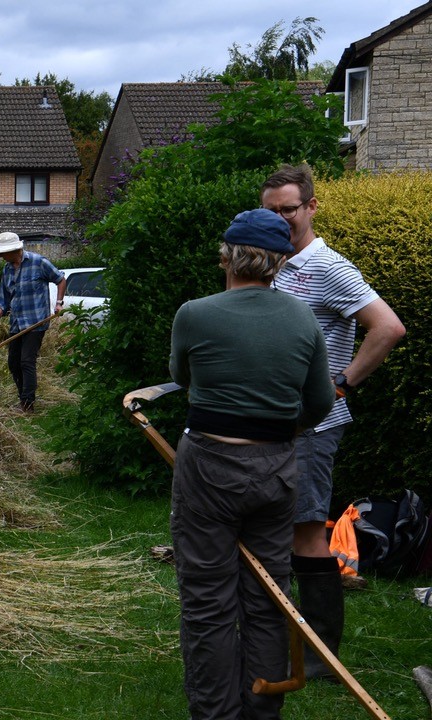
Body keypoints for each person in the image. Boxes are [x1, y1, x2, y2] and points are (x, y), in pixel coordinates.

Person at [169, 208, 336, 720]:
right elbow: (321, 402)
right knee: (268, 596)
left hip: (209, 468)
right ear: (278, 262)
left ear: (227, 256)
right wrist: (283, 427)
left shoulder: (195, 313)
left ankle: (216, 714)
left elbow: (182, 375)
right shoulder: (301, 317)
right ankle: (261, 713)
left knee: (207, 600)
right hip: (276, 468)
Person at [261, 164, 406, 677]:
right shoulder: (273, 263)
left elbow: (388, 327)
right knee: (275, 528)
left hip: (313, 426)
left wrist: (340, 384)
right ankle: (278, 640)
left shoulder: (329, 267)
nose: (280, 219)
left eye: (288, 210)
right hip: (275, 423)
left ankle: (322, 654)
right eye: (271, 210)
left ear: (311, 208)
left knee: (305, 530)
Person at [0, 231, 65, 412]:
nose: (0, 256)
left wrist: (59, 303)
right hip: (17, 322)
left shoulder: (39, 262)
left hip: (37, 321)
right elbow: (3, 298)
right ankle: (22, 397)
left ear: (15, 250)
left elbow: (60, 279)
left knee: (27, 361)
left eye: (2, 252)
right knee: (13, 363)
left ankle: (27, 404)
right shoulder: (7, 269)